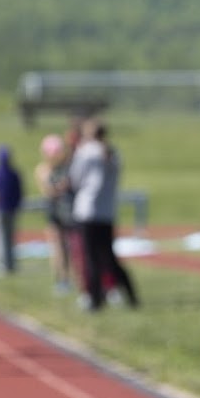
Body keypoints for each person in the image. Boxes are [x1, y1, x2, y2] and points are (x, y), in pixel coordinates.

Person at [68, 119, 140, 311]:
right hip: (107, 211)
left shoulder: (85, 152)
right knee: (108, 256)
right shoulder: (113, 153)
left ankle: (95, 298)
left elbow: (75, 179)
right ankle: (131, 294)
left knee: (91, 257)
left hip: (87, 210)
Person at [35, 133, 75, 293]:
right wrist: (61, 187)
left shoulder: (64, 168)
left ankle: (70, 277)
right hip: (54, 213)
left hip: (68, 212)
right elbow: (48, 190)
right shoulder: (43, 169)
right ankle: (61, 279)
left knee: (70, 247)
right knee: (58, 247)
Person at [0, 144, 24, 274]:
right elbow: (19, 192)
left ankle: (4, 264)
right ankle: (9, 264)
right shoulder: (13, 173)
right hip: (7, 209)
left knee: (1, 237)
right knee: (7, 237)